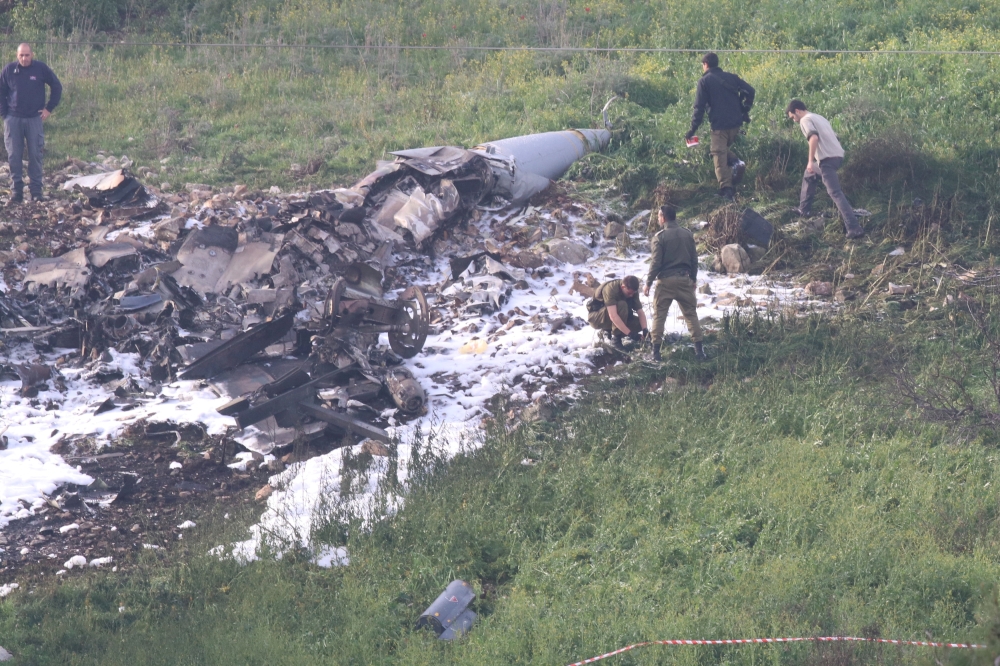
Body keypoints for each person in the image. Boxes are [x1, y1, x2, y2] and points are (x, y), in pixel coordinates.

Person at [786, 99, 864, 239]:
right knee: (809, 175)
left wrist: (810, 161)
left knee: (835, 193)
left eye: (793, 117)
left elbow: (814, 138)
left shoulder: (805, 120)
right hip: (837, 157)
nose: (794, 121)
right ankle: (804, 210)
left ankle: (854, 227)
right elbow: (836, 137)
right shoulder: (819, 117)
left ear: (797, 111)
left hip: (827, 160)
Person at [686, 52, 754, 201]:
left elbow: (699, 108)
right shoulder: (731, 77)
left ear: (705, 64)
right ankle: (736, 163)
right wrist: (745, 109)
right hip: (736, 124)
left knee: (718, 154)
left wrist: (692, 130)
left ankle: (727, 189)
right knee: (721, 150)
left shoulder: (704, 81)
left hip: (719, 126)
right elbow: (751, 91)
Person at [0, 43, 62, 204]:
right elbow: (1, 91)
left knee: (35, 154)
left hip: (34, 119)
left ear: (32, 55)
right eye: (21, 55)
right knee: (14, 155)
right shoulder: (9, 70)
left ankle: (36, 191)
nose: (24, 58)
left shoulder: (40, 68)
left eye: (27, 55)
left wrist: (49, 108)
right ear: (17, 55)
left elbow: (56, 86)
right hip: (13, 119)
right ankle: (17, 192)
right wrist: (4, 114)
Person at [644, 205, 705, 361]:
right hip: (685, 279)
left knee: (659, 316)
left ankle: (656, 353)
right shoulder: (687, 234)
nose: (658, 219)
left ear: (663, 217)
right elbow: (694, 260)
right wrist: (693, 279)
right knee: (691, 315)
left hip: (665, 282)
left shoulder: (660, 237)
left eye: (658, 216)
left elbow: (656, 262)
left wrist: (648, 282)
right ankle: (700, 352)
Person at [587, 275, 648, 349]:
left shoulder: (632, 291)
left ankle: (608, 331)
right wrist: (630, 334)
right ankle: (615, 340)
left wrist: (645, 330)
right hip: (596, 318)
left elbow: (640, 311)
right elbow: (613, 315)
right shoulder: (611, 288)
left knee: (639, 324)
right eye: (629, 293)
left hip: (613, 317)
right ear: (623, 287)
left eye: (633, 293)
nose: (631, 295)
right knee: (622, 305)